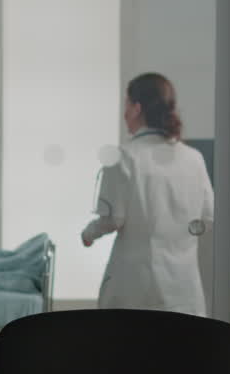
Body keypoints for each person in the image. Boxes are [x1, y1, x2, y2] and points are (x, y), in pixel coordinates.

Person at [81, 72, 215, 317]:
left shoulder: (125, 158)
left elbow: (113, 219)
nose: (124, 114)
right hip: (184, 292)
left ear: (136, 108)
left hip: (137, 293)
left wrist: (88, 234)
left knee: (134, 354)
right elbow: (207, 217)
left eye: (126, 105)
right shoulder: (193, 159)